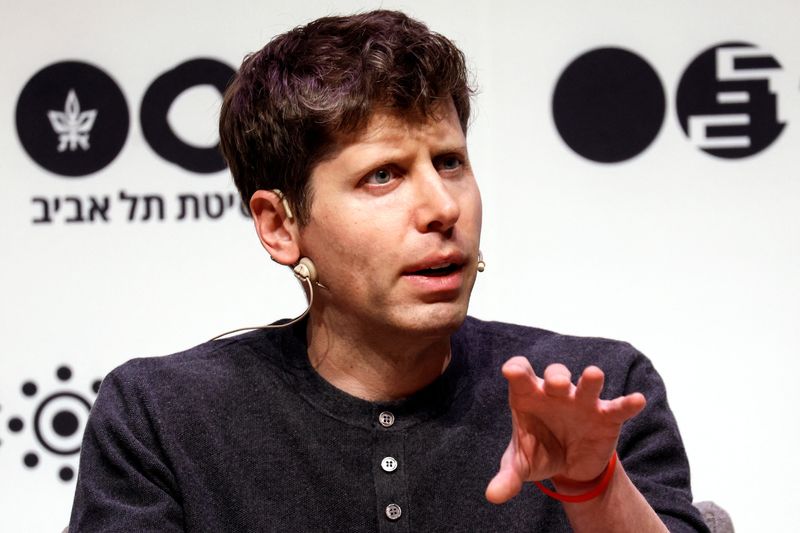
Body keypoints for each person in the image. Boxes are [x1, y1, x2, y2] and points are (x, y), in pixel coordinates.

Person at [69, 10, 708, 532]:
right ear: (280, 225)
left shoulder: (594, 391)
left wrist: (593, 488)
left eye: (451, 162)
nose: (441, 206)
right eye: (384, 175)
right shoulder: (162, 418)